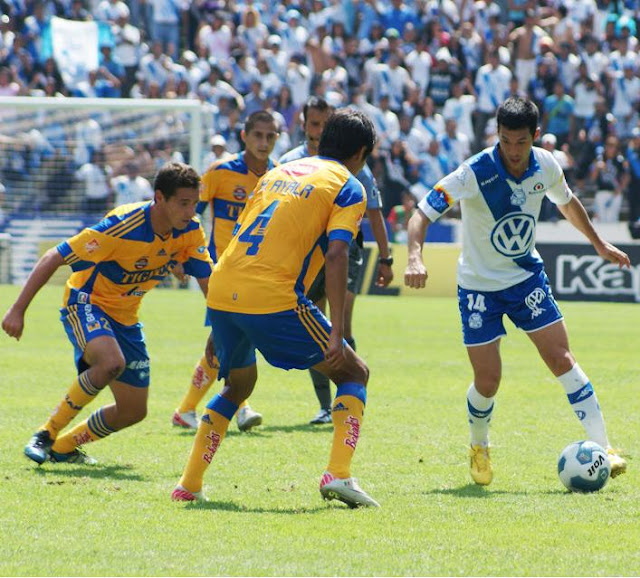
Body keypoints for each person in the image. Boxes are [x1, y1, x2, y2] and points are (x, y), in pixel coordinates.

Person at [404, 97, 629, 486]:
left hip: (525, 279)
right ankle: (479, 445)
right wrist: (413, 257)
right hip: (479, 287)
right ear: (497, 134)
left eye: (521, 142)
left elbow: (567, 203)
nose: (513, 150)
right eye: (506, 140)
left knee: (561, 358)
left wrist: (599, 243)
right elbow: (421, 213)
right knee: (488, 380)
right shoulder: (473, 172)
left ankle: (604, 447)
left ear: (535, 136)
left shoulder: (546, 165)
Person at [172, 109, 380, 508]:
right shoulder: (348, 185)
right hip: (274, 295)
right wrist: (337, 330)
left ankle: (189, 483)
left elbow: (239, 234)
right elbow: (338, 254)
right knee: (355, 372)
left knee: (238, 385)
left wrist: (220, 319)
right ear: (361, 154)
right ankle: (338, 474)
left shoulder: (277, 173)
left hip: (223, 288)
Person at [2, 162, 213, 464]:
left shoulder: (190, 230)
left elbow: (208, 282)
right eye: (183, 203)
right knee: (111, 362)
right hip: (86, 301)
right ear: (159, 198)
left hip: (126, 316)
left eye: (194, 203)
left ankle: (63, 448)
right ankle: (46, 433)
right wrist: (17, 310)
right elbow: (53, 257)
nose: (191, 211)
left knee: (133, 411)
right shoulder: (122, 226)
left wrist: (223, 327)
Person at [279, 97, 394, 424]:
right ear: (304, 125)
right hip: (308, 253)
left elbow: (375, 213)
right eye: (314, 124)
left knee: (342, 322)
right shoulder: (289, 163)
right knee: (319, 326)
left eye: (325, 124)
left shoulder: (357, 171)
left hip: (346, 248)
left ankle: (349, 396)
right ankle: (326, 405)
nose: (319, 130)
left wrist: (386, 258)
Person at [171, 110, 279, 432]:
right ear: (244, 136)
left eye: (270, 136)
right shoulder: (220, 172)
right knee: (228, 338)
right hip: (221, 271)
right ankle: (231, 406)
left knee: (232, 338)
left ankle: (199, 408)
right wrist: (179, 254)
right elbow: (191, 214)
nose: (263, 142)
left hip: (256, 272)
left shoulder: (278, 176)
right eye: (258, 135)